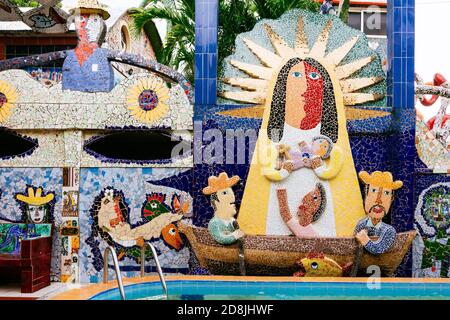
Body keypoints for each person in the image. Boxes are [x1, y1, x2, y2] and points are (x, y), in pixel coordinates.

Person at [61, 0, 114, 92]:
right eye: (81, 18)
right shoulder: (70, 56)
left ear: (101, 25)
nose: (87, 26)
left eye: (95, 19)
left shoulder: (103, 55)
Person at [354, 171, 403, 255]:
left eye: (386, 193)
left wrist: (365, 240)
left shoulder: (389, 231)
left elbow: (379, 249)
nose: (378, 200)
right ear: (366, 196)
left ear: (391, 200)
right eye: (374, 191)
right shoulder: (361, 225)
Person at [203, 172, 245, 245]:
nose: (233, 197)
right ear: (216, 202)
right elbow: (221, 239)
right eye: (224, 193)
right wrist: (235, 235)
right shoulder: (214, 223)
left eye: (230, 191)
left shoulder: (232, 221)